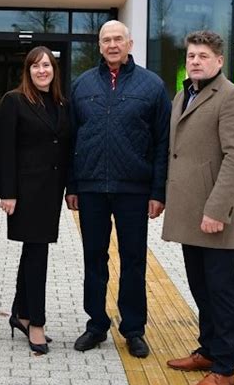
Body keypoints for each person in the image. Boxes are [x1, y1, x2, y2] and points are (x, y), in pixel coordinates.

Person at [67, 20, 171, 358]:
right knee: (94, 257)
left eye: (118, 39)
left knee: (134, 260)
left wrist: (158, 192)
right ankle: (96, 324)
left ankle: (133, 329)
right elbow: (70, 139)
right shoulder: (82, 84)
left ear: (130, 43)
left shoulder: (152, 85)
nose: (112, 45)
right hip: (91, 188)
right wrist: (72, 185)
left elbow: (163, 142)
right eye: (106, 40)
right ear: (99, 45)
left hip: (134, 190)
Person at [162, 30, 234, 385]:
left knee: (221, 291)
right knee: (200, 286)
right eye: (191, 56)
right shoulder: (184, 94)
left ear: (219, 61)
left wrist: (217, 210)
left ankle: (224, 367)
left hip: (216, 216)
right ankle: (208, 349)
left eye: (203, 56)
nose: (195, 61)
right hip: (191, 214)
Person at [0, 46, 70, 355]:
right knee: (37, 255)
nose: (42, 71)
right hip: (26, 192)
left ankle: (21, 314)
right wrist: (7, 192)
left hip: (51, 192)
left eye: (47, 65)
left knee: (33, 252)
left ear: (54, 70)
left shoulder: (61, 103)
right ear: (27, 71)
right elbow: (4, 149)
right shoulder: (14, 101)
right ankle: (36, 323)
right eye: (36, 66)